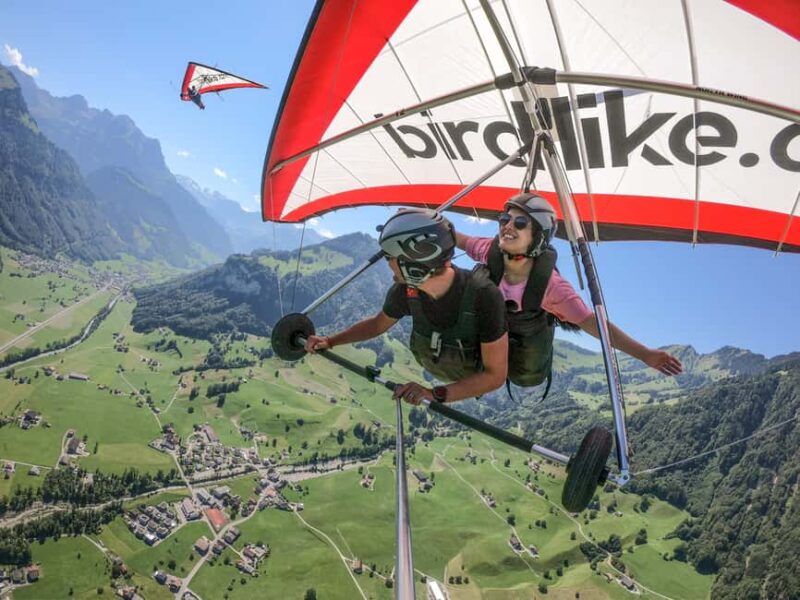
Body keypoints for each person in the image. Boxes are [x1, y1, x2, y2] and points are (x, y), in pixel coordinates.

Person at [455, 192, 683, 393]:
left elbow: (596, 325)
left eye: (521, 222)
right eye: (505, 219)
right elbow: (452, 237)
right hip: (486, 337)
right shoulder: (488, 250)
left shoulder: (552, 287)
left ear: (538, 236)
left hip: (523, 344)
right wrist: (427, 220)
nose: (508, 225)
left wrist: (645, 354)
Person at [304, 209, 509, 406]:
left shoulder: (484, 296)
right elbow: (377, 325)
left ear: (412, 263)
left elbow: (495, 376)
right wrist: (330, 341)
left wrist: (433, 394)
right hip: (442, 363)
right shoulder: (407, 291)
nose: (387, 264)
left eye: (389, 257)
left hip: (470, 375)